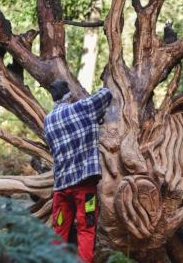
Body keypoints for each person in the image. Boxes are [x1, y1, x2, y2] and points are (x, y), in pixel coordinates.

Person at [44, 80, 112, 263]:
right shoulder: (82, 108)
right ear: (69, 95)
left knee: (58, 229)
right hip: (85, 188)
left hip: (61, 190)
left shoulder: (48, 120)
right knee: (86, 228)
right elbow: (106, 93)